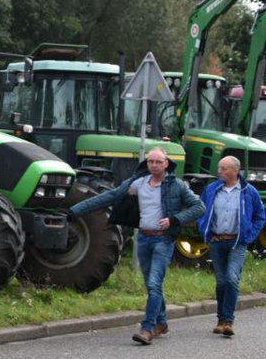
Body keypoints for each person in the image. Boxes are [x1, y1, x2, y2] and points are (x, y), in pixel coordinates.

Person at [69, 147, 203, 345]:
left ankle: (147, 328)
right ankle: (162, 322)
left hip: (163, 240)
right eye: (151, 162)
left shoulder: (177, 185)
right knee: (151, 284)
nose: (155, 165)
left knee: (154, 284)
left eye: (159, 162)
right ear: (146, 163)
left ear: (166, 164)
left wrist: (175, 220)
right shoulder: (137, 183)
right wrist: (76, 210)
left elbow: (199, 207)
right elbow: (110, 196)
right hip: (144, 239)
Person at [198, 155, 266, 337]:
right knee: (221, 282)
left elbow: (260, 215)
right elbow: (200, 209)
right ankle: (220, 319)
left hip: (237, 242)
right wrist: (204, 228)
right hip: (216, 241)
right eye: (219, 168)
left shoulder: (248, 191)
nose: (219, 171)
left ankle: (228, 320)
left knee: (231, 278)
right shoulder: (211, 189)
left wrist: (249, 236)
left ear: (235, 171)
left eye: (224, 168)